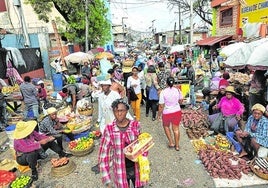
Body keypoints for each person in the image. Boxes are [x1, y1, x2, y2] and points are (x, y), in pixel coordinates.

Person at [98, 99, 147, 188]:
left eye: (121, 111)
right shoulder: (109, 129)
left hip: (137, 168)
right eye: (115, 111)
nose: (119, 114)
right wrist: (107, 179)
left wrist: (143, 155)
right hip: (120, 170)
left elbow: (143, 145)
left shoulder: (135, 125)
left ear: (127, 111)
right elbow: (103, 155)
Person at [157, 77, 183, 151]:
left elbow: (161, 106)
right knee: (176, 129)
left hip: (167, 113)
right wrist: (176, 104)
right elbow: (181, 100)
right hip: (177, 111)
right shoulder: (178, 90)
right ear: (174, 83)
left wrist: (159, 115)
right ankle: (177, 146)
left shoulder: (163, 92)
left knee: (166, 126)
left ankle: (171, 142)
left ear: (166, 83)